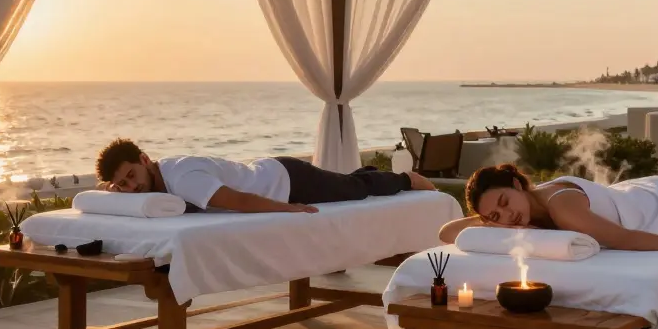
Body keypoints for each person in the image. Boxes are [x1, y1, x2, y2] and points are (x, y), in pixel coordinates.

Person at [438, 164, 658, 255]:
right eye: (495, 217)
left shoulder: (562, 206)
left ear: (517, 185)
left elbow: (620, 238)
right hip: (632, 194)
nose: (508, 217)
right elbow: (447, 232)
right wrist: (491, 218)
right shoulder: (527, 208)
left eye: (504, 203)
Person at [94, 138, 436, 213]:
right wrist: (114, 190)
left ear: (144, 158)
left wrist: (292, 209)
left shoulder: (182, 176)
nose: (132, 187)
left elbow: (239, 201)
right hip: (270, 172)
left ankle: (407, 179)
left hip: (288, 181)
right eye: (122, 184)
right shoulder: (157, 176)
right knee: (346, 183)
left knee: (356, 189)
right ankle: (366, 174)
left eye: (131, 175)